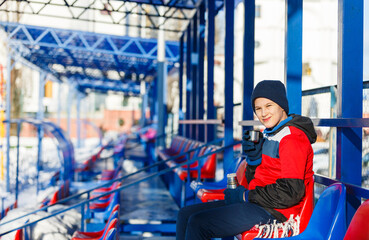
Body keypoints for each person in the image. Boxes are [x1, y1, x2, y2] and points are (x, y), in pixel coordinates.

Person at [176, 80, 316, 240]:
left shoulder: (292, 138)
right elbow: (258, 180)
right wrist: (254, 161)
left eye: (268, 106)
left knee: (199, 223)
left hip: (278, 213)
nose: (263, 113)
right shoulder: (271, 134)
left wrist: (245, 197)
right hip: (259, 205)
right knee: (185, 214)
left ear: (281, 105)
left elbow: (290, 192)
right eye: (258, 109)